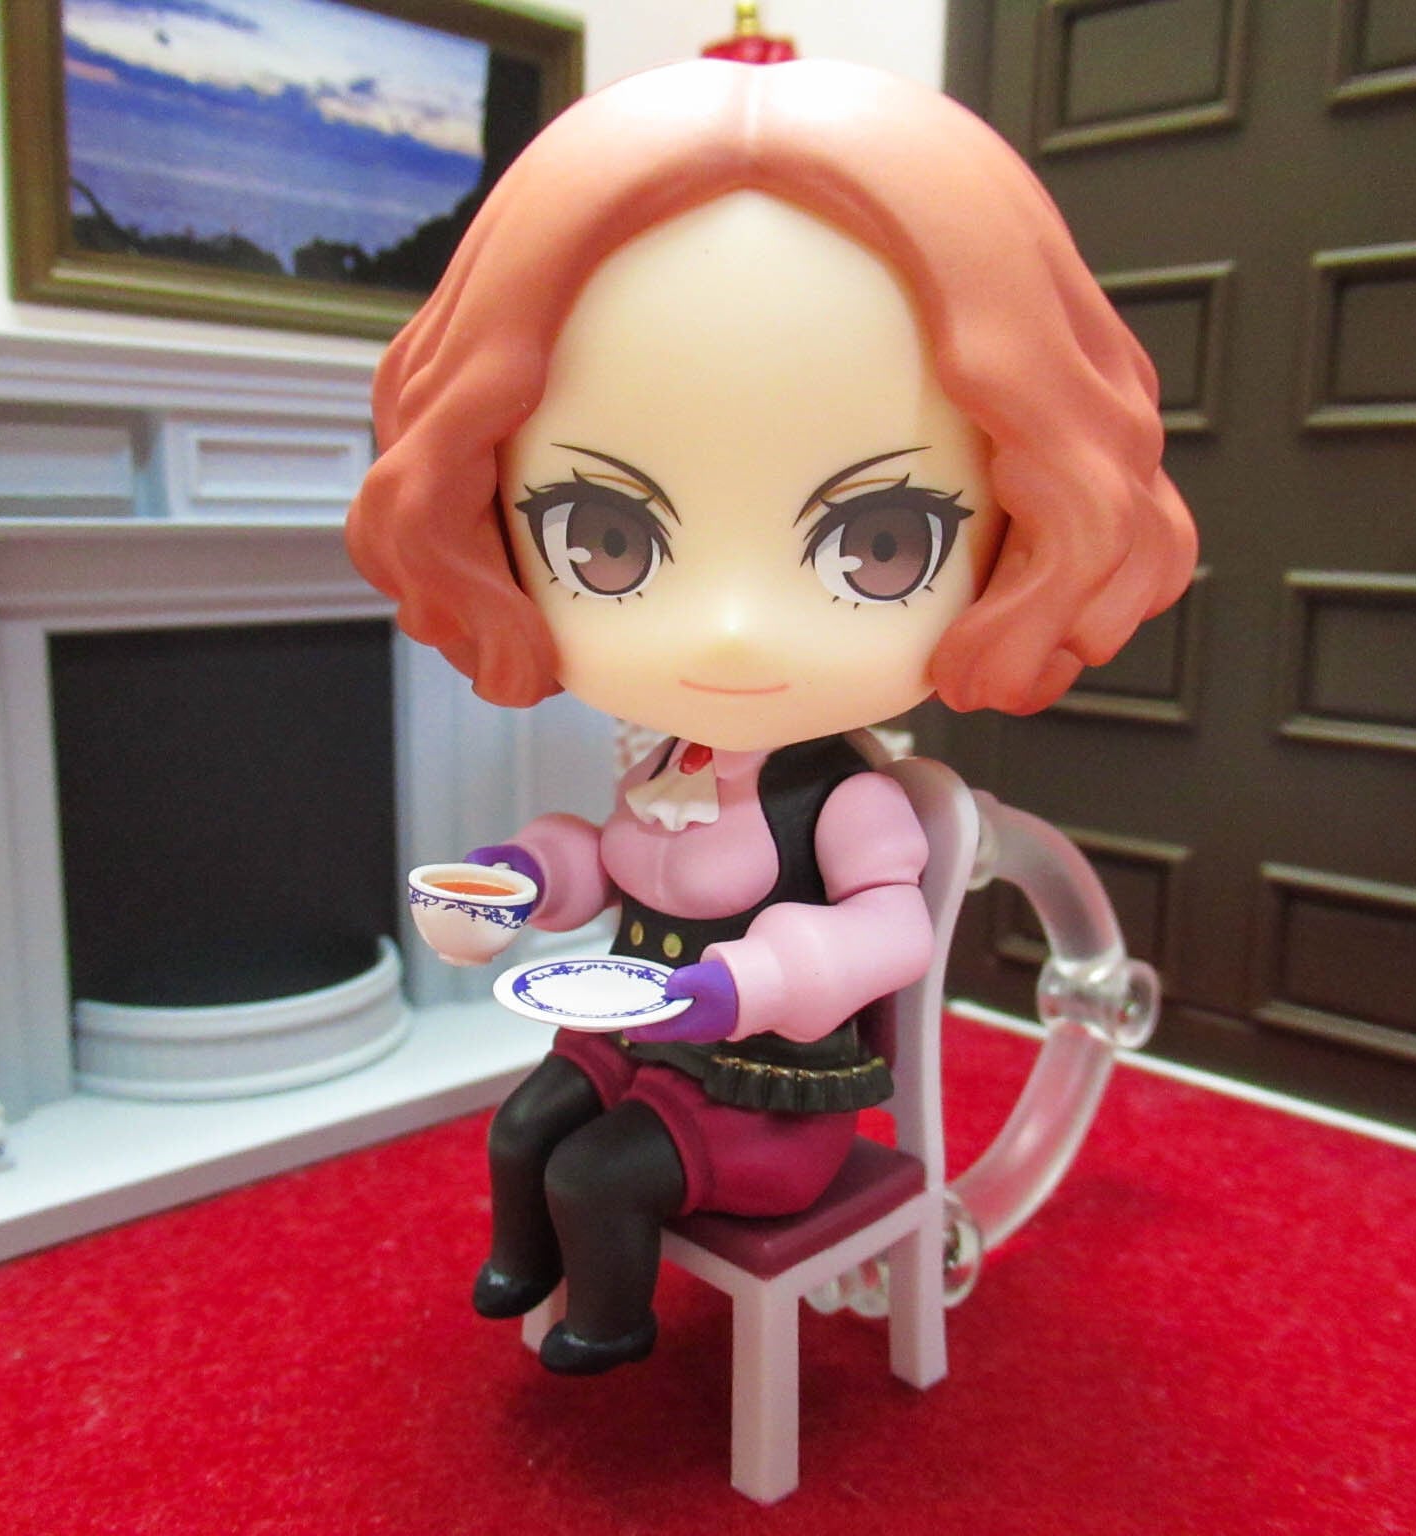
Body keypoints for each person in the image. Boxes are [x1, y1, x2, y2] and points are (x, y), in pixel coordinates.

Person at [348, 55, 1196, 1375]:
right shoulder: (669, 756)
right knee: (524, 1131)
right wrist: (523, 880)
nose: (733, 631)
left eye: (881, 544)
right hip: (636, 1045)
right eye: (607, 538)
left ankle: (610, 1325)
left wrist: (757, 978)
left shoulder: (850, 799)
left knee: (600, 1173)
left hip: (767, 1096)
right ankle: (525, 1269)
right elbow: (615, 860)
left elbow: (887, 934)